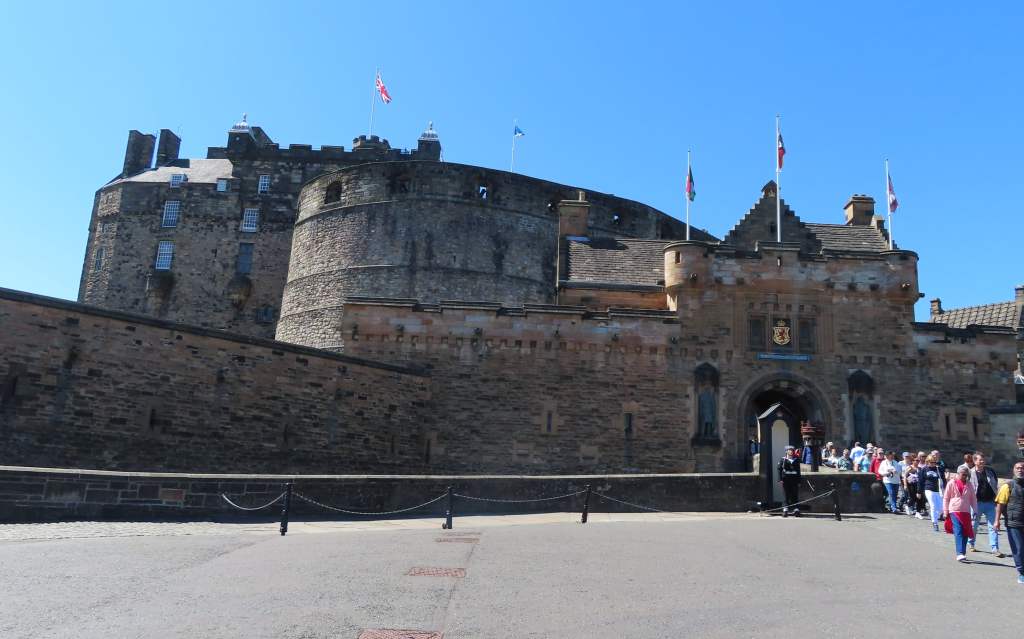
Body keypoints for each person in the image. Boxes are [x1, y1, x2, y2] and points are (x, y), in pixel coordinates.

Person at [993, 460, 1024, 585]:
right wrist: (996, 521)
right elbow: (1000, 504)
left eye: (1022, 468)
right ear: (1013, 470)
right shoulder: (1007, 486)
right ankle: (1022, 573)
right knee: (1018, 548)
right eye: (1018, 468)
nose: (1020, 470)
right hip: (1013, 522)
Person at [967, 453, 1002, 557]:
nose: (982, 461)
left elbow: (995, 483)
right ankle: (971, 543)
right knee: (974, 525)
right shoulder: (970, 472)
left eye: (983, 460)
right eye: (980, 460)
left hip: (990, 502)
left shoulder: (990, 471)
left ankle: (995, 548)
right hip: (976, 503)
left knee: (993, 526)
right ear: (974, 461)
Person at [944, 465, 977, 561]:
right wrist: (945, 511)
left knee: (965, 531)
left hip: (966, 511)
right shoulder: (951, 483)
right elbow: (946, 498)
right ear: (958, 474)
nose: (965, 477)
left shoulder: (969, 484)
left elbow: (973, 499)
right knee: (958, 530)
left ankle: (963, 552)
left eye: (966, 475)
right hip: (954, 510)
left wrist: (975, 510)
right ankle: (959, 553)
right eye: (963, 474)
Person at [918, 454, 945, 531]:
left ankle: (934, 516)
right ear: (927, 462)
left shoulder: (938, 469)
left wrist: (945, 488)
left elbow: (943, 479)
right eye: (931, 462)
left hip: (937, 490)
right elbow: (920, 481)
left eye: (934, 462)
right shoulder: (924, 469)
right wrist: (919, 492)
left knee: (941, 508)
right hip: (928, 489)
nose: (933, 463)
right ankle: (935, 522)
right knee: (933, 506)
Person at [778, 445, 801, 517]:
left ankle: (796, 509)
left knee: (794, 494)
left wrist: (799, 481)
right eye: (789, 450)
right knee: (786, 494)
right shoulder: (783, 460)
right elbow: (779, 470)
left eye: (792, 450)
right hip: (786, 479)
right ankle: (785, 510)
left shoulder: (796, 460)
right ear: (786, 451)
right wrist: (780, 479)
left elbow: (798, 471)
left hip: (794, 479)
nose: (791, 451)